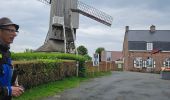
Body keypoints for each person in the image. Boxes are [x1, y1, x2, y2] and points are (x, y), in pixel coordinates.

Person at [0, 17, 24, 100]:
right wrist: (8, 90)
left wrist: (14, 86)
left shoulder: (7, 53)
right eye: (10, 30)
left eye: (15, 31)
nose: (14, 34)